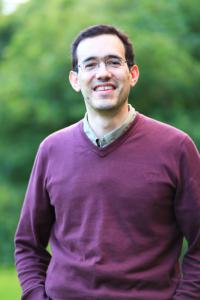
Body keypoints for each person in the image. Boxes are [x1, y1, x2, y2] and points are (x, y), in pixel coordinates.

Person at [15, 24, 200, 300]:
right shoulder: (51, 149)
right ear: (75, 79)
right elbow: (28, 244)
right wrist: (35, 295)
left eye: (114, 61)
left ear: (133, 74)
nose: (103, 72)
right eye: (90, 64)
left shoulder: (176, 147)